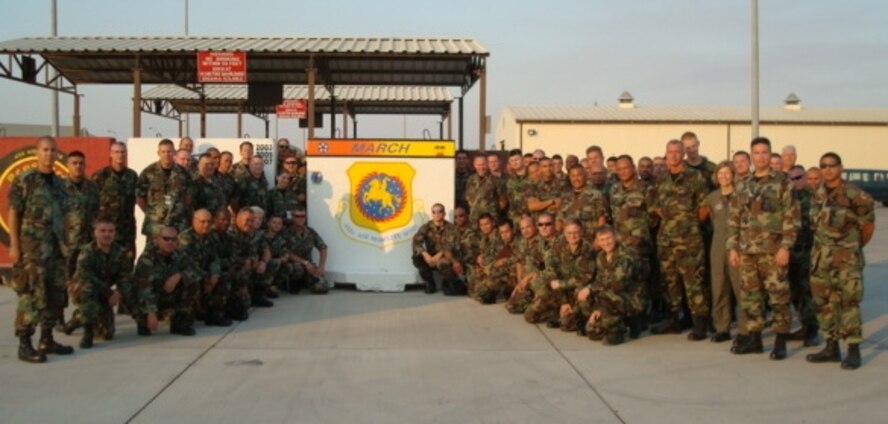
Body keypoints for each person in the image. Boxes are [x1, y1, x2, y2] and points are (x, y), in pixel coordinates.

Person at [728, 137, 800, 359]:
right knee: (751, 297)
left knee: (778, 297)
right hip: (748, 251)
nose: (761, 157)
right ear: (751, 157)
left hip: (773, 251)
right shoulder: (743, 184)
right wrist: (733, 247)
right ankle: (755, 339)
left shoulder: (782, 182)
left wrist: (786, 247)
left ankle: (780, 341)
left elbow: (792, 217)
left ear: (770, 155)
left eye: (764, 152)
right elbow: (735, 218)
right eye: (756, 153)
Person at [806, 152, 875, 369]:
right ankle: (831, 346)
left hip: (846, 261)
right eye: (823, 166)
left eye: (832, 165)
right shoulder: (817, 194)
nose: (827, 169)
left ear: (841, 167)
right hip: (820, 260)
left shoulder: (855, 194)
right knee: (823, 303)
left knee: (848, 303)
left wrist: (852, 248)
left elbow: (868, 226)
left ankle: (853, 349)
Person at [8, 136, 73, 363]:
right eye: (45, 150)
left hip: (55, 249)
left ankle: (47, 339)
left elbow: (64, 217)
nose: (49, 154)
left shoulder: (60, 184)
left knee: (54, 294)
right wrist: (15, 245)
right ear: (37, 153)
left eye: (53, 151)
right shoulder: (25, 180)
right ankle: (25, 343)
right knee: (31, 295)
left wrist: (66, 244)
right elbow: (14, 213)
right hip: (32, 250)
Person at [650, 139, 709, 339]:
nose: (674, 155)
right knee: (669, 281)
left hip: (689, 240)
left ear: (683, 154)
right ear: (665, 154)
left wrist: (689, 224)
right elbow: (656, 205)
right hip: (666, 239)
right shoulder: (661, 179)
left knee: (693, 281)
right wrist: (670, 219)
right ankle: (673, 319)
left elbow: (704, 208)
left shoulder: (695, 177)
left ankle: (700, 322)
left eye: (677, 152)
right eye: (670, 152)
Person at [608, 155, 656, 337]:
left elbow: (653, 217)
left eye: (625, 168)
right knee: (625, 281)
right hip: (620, 245)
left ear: (633, 167)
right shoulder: (614, 190)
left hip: (639, 245)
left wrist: (639, 232)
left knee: (639, 283)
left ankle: (640, 319)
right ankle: (629, 316)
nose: (622, 172)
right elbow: (613, 217)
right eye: (618, 169)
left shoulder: (646, 189)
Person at [66, 220, 132, 348]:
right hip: (83, 288)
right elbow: (86, 276)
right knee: (89, 289)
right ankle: (87, 333)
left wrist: (118, 293)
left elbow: (125, 277)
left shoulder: (120, 252)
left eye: (110, 231)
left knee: (107, 334)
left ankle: (77, 319)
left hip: (104, 292)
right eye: (103, 231)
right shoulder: (87, 251)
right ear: (95, 233)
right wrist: (109, 292)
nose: (107, 235)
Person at [702, 162, 744, 343]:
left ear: (733, 175)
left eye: (728, 173)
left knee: (741, 287)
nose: (724, 177)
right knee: (719, 286)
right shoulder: (712, 198)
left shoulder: (742, 196)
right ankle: (722, 327)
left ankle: (745, 328)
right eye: (721, 173)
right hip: (718, 243)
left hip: (739, 244)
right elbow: (711, 219)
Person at [131, 226, 197, 336]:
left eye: (173, 239)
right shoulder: (147, 258)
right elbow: (143, 288)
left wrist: (179, 275)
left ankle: (179, 322)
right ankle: (143, 320)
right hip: (148, 297)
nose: (170, 242)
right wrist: (150, 313)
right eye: (166, 239)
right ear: (157, 240)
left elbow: (195, 270)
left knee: (191, 282)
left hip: (165, 294)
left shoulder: (179, 254)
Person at [60, 151, 100, 330]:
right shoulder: (59, 187)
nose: (78, 166)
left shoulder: (92, 187)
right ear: (68, 165)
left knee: (85, 279)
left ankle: (82, 314)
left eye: (81, 163)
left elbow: (97, 212)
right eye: (74, 163)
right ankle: (59, 317)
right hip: (65, 244)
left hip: (86, 243)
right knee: (62, 282)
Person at [577, 226, 635, 345]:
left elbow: (617, 283)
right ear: (598, 242)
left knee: (603, 293)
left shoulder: (625, 256)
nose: (606, 242)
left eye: (608, 238)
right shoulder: (601, 257)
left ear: (615, 238)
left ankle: (620, 328)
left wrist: (591, 289)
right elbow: (600, 280)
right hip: (608, 297)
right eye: (602, 240)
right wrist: (590, 292)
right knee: (593, 333)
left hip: (628, 298)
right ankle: (601, 321)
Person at [539, 221, 596, 332]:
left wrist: (561, 284)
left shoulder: (587, 249)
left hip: (580, 288)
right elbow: (553, 271)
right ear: (564, 233)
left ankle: (584, 319)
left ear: (581, 233)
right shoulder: (560, 246)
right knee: (531, 314)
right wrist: (564, 301)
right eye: (569, 233)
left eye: (575, 232)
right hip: (564, 290)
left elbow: (585, 278)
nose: (572, 236)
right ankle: (561, 311)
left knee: (567, 326)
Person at [177, 209, 231, 327]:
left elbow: (214, 258)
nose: (206, 225)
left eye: (209, 222)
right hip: (187, 273)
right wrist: (207, 278)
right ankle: (183, 318)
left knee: (224, 277)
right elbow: (189, 264)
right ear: (194, 221)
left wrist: (214, 275)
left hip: (203, 273)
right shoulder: (186, 238)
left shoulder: (210, 237)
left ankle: (213, 314)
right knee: (193, 279)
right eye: (202, 221)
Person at [787, 165, 820, 346]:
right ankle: (804, 325)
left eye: (798, 177)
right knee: (795, 292)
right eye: (791, 179)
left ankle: (812, 329)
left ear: (805, 177)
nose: (795, 182)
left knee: (808, 292)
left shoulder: (814, 199)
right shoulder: (787, 198)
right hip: (790, 254)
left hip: (807, 254)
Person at [136, 138, 192, 242]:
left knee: (178, 254)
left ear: (174, 152)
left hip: (178, 224)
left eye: (169, 151)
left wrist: (178, 211)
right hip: (155, 225)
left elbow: (188, 198)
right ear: (158, 153)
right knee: (153, 255)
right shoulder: (148, 172)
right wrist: (151, 212)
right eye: (163, 152)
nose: (166, 154)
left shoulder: (183, 174)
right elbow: (139, 197)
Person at [93, 141, 139, 263]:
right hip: (106, 232)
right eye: (116, 152)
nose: (120, 155)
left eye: (123, 152)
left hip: (126, 231)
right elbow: (92, 203)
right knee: (103, 266)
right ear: (111, 154)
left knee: (127, 266)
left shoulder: (132, 176)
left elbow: (139, 198)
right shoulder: (100, 176)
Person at [412, 204, 461, 294]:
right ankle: (430, 282)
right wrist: (425, 254)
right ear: (432, 214)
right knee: (416, 257)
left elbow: (452, 245)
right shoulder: (426, 227)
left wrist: (439, 255)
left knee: (442, 263)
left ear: (444, 214)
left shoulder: (451, 228)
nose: (437, 214)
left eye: (440, 211)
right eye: (434, 212)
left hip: (444, 256)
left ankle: (449, 282)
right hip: (430, 256)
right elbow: (416, 242)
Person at [286, 206, 330, 294]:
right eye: (297, 216)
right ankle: (294, 284)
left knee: (323, 288)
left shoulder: (310, 232)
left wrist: (321, 267)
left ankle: (306, 282)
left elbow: (323, 247)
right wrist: (305, 263)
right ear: (292, 218)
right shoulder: (286, 233)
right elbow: (287, 253)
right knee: (297, 268)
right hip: (293, 266)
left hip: (309, 266)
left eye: (303, 216)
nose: (300, 219)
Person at [474, 220, 518, 304]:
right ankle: (504, 292)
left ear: (513, 230)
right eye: (502, 233)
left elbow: (520, 258)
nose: (505, 235)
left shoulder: (519, 242)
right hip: (504, 275)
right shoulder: (504, 244)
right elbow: (495, 260)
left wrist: (504, 261)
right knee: (480, 291)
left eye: (507, 231)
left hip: (515, 277)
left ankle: (510, 290)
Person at [557, 165, 607, 238]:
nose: (576, 179)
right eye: (573, 176)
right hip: (569, 242)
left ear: (585, 176)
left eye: (579, 175)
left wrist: (598, 239)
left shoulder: (596, 195)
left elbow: (601, 219)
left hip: (589, 241)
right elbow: (559, 220)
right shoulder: (565, 196)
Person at [465, 154, 503, 226]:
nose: (481, 167)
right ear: (474, 165)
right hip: (474, 219)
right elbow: (468, 198)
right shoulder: (470, 180)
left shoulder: (495, 180)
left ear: (487, 164)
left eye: (483, 164)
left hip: (491, 220)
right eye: (478, 165)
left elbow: (502, 201)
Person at [504, 149, 530, 225]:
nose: (515, 162)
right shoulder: (509, 179)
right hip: (514, 218)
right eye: (512, 161)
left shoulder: (531, 176)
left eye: (517, 159)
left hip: (530, 217)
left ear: (522, 159)